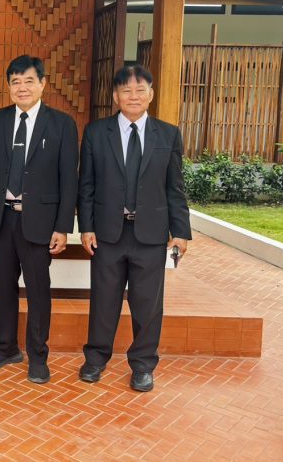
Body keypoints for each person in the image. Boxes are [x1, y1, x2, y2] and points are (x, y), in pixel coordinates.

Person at [77, 65, 191, 393]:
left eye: (140, 90)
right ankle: (95, 358)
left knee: (148, 304)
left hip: (151, 234)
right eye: (126, 90)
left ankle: (142, 365)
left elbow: (174, 187)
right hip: (108, 233)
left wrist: (180, 231)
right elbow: (87, 185)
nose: (133, 96)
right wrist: (86, 227)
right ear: (115, 96)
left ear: (151, 94)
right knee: (104, 300)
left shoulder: (167, 134)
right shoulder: (97, 133)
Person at [0, 55, 78, 385]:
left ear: (43, 84)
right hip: (0, 218)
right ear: (8, 86)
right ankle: (5, 347)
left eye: (29, 81)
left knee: (38, 290)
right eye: (15, 82)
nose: (22, 88)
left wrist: (63, 226)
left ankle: (38, 355)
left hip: (39, 222)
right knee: (3, 287)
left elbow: (68, 181)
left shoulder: (61, 124)